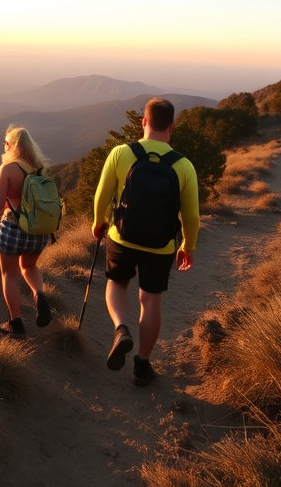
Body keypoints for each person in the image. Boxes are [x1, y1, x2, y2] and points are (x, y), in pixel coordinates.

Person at [91, 98, 200, 387]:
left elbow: (101, 196)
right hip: (161, 245)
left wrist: (98, 222)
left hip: (122, 238)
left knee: (116, 283)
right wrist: (187, 246)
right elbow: (191, 217)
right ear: (172, 127)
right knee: (150, 300)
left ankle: (120, 329)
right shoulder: (184, 165)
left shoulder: (120, 153)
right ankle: (142, 365)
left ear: (144, 121)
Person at [0, 125, 54, 338]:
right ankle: (39, 293)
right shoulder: (40, 168)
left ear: (13, 146)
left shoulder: (8, 169)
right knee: (30, 266)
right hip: (39, 230)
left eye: (6, 143)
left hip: (13, 228)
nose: (4, 147)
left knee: (9, 274)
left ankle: (16, 324)